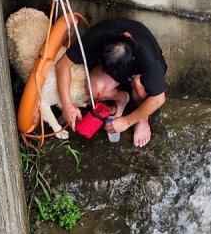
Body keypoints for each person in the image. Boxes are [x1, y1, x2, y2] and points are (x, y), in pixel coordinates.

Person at [56, 18, 167, 148]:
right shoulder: (98, 35)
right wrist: (67, 106)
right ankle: (122, 98)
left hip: (138, 77)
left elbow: (158, 99)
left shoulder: (149, 58)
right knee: (95, 89)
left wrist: (127, 121)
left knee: (140, 87)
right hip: (116, 66)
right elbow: (62, 66)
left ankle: (142, 120)